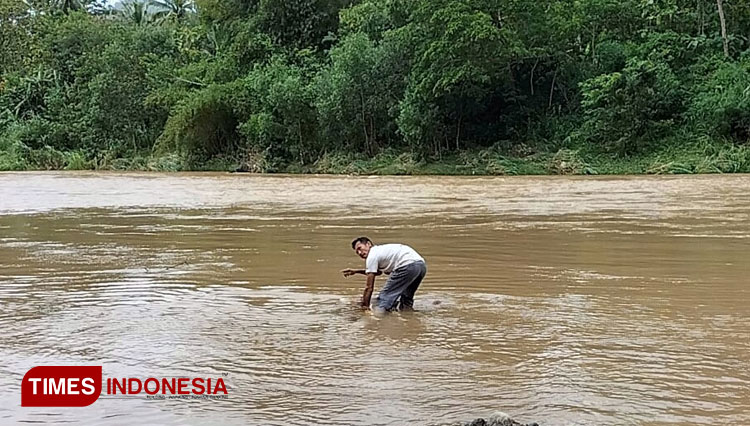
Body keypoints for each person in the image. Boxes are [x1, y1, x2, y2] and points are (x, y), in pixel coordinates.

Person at [341, 237, 427, 312]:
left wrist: (365, 307)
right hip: (420, 266)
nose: (360, 253)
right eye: (357, 252)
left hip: (406, 265)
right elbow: (377, 272)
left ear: (368, 244)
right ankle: (409, 317)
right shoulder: (380, 251)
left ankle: (380, 320)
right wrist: (356, 271)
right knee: (406, 299)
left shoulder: (372, 255)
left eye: (360, 248)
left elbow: (369, 288)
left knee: (384, 299)